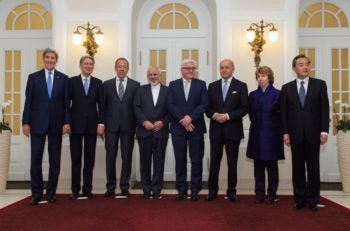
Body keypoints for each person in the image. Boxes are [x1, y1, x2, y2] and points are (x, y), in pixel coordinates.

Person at [281, 54, 329, 212]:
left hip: (314, 133)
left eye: (307, 64)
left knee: (314, 168)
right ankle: (300, 200)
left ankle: (313, 200)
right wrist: (285, 132)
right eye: (301, 64)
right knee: (298, 169)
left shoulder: (320, 85)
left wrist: (324, 131)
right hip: (295, 135)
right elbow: (284, 113)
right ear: (294, 68)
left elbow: (324, 109)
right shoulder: (286, 88)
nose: (305, 67)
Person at [22, 48, 70, 205]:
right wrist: (25, 122)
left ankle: (51, 193)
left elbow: (66, 104)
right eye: (47, 57)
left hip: (56, 125)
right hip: (37, 124)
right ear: (43, 59)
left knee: (55, 160)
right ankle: (36, 194)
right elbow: (28, 102)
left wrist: (66, 122)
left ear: (56, 60)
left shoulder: (63, 78)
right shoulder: (34, 77)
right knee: (35, 159)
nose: (50, 60)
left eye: (53, 58)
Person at [205, 59, 248, 202]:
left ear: (232, 69)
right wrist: (215, 115)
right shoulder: (212, 86)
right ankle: (212, 191)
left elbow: (244, 108)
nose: (224, 70)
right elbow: (207, 108)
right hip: (216, 130)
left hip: (233, 130)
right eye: (222, 67)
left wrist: (228, 116)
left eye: (227, 67)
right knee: (214, 163)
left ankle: (231, 192)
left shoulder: (241, 86)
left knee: (232, 163)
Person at [167, 59, 208, 201]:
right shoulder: (173, 85)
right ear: (182, 70)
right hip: (178, 128)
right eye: (188, 68)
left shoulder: (201, 84)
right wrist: (183, 120)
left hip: (196, 128)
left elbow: (204, 104)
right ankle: (182, 189)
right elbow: (170, 104)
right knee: (180, 159)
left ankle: (195, 189)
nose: (191, 70)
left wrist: (190, 118)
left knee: (196, 159)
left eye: (194, 68)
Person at [101, 57, 140, 198]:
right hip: (111, 127)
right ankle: (110, 186)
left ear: (128, 69)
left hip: (128, 127)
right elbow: (103, 107)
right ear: (115, 68)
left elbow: (137, 108)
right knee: (110, 157)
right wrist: (101, 124)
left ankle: (124, 186)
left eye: (124, 66)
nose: (122, 68)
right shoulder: (106, 84)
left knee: (127, 157)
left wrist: (137, 127)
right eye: (119, 66)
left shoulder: (136, 85)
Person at [246, 66, 285, 204]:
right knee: (258, 166)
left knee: (272, 167)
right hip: (257, 132)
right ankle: (259, 194)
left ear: (269, 77)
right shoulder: (252, 95)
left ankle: (272, 194)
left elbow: (282, 115)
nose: (260, 78)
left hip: (272, 134)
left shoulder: (278, 94)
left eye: (263, 76)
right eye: (258, 76)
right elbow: (251, 114)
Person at [68, 55, 104, 200]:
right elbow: (66, 104)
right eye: (86, 63)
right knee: (76, 159)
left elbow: (102, 106)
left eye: (91, 64)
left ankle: (87, 189)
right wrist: (67, 122)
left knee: (90, 159)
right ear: (80, 65)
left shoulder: (98, 83)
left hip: (92, 127)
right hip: (75, 126)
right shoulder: (71, 82)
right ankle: (75, 189)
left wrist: (101, 124)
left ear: (93, 66)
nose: (88, 66)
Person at [133, 66, 169, 199]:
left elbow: (171, 109)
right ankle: (146, 189)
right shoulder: (140, 90)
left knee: (159, 162)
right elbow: (136, 107)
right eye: (150, 74)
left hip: (161, 131)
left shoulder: (168, 90)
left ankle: (157, 188)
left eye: (156, 74)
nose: (153, 77)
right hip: (144, 131)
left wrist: (163, 122)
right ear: (147, 76)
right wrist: (144, 122)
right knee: (145, 162)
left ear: (160, 76)